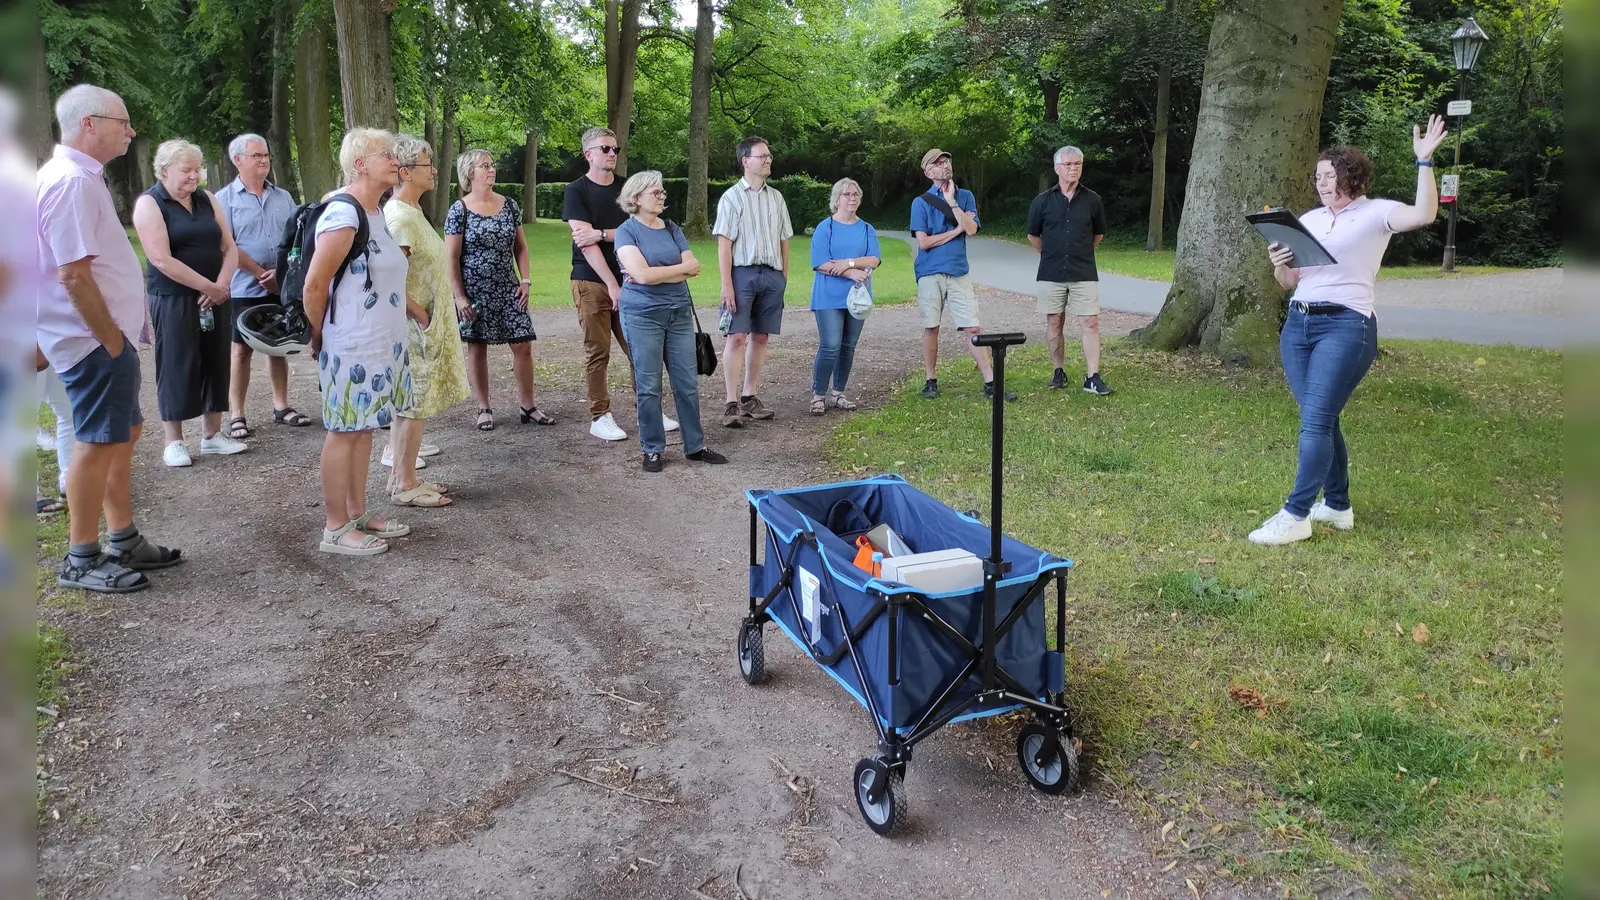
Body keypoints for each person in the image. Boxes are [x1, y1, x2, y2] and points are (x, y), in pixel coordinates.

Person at [1248, 115, 1448, 546]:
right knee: (1319, 417)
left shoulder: (1376, 213)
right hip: (1298, 325)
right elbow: (1291, 282)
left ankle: (1296, 513)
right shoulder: (1309, 219)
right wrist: (1280, 264)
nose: (1320, 182)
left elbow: (1424, 214)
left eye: (1328, 174)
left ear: (1350, 175)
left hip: (1345, 326)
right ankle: (1337, 505)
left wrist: (1424, 163)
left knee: (1316, 420)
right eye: (1317, 176)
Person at [38, 84, 181, 592]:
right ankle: (80, 557)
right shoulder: (72, 182)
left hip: (101, 339)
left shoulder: (79, 178)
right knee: (96, 442)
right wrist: (111, 342)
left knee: (119, 435)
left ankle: (122, 537)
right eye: (123, 122)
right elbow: (72, 274)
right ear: (89, 124)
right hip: (93, 341)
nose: (131, 131)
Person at [307, 127, 415, 556]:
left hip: (379, 342)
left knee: (364, 426)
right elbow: (315, 285)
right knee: (343, 431)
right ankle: (335, 528)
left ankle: (356, 511)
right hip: (351, 344)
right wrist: (318, 336)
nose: (394, 159)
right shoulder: (343, 213)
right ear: (359, 164)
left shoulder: (375, 212)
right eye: (384, 154)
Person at [132, 139, 247, 467]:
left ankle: (212, 435)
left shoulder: (208, 200)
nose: (194, 176)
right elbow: (160, 259)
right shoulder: (150, 203)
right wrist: (207, 286)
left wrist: (222, 285)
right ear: (165, 170)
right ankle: (174, 441)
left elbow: (230, 247)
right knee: (176, 364)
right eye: (186, 170)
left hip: (215, 296)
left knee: (216, 360)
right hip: (174, 298)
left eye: (197, 170)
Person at [563, 126, 679, 442]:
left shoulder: (628, 188)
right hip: (591, 281)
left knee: (641, 349)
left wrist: (603, 233)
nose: (612, 153)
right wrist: (612, 284)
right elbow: (583, 243)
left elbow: (645, 226)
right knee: (597, 351)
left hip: (633, 280)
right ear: (588, 154)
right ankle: (600, 416)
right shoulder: (577, 191)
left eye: (614, 149)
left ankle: (649, 411)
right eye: (605, 148)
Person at [613, 170, 728, 472]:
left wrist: (665, 272)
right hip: (642, 315)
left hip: (678, 313)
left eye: (663, 191)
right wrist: (678, 269)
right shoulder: (627, 231)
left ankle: (695, 445)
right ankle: (652, 449)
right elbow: (641, 275)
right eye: (655, 192)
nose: (662, 195)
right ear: (635, 198)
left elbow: (694, 267)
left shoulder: (672, 228)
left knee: (687, 383)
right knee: (649, 386)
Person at [383, 134, 467, 508]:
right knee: (412, 404)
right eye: (425, 164)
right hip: (413, 327)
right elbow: (391, 278)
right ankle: (405, 485)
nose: (433, 169)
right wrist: (423, 316)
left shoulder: (413, 212)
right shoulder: (399, 216)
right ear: (404, 172)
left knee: (411, 405)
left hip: (422, 325)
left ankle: (402, 477)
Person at [446, 149, 550, 431]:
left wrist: (525, 280)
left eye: (492, 165)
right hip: (474, 291)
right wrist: (459, 296)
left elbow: (521, 247)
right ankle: (483, 407)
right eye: (484, 166)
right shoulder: (460, 210)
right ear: (470, 173)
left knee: (522, 343)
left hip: (508, 287)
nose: (491, 170)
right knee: (477, 346)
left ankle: (528, 406)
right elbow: (451, 256)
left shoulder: (509, 205)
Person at [217, 132, 310, 434]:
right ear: (238, 160)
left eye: (266, 155)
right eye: (256, 156)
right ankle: (236, 414)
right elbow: (225, 243)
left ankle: (281, 405)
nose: (264, 160)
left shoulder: (283, 197)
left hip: (279, 285)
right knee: (240, 350)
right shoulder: (224, 200)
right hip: (244, 286)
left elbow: (297, 238)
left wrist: (281, 275)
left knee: (278, 344)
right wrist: (258, 272)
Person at [910, 148, 1012, 401]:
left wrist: (953, 203)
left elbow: (972, 229)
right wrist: (956, 232)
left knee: (972, 327)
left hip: (958, 270)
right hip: (929, 272)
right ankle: (930, 379)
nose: (945, 166)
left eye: (947, 161)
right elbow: (923, 243)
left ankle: (991, 382)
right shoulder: (920, 203)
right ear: (928, 171)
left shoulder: (964, 196)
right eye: (938, 163)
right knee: (931, 326)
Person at [713, 135, 792, 427]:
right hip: (742, 273)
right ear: (746, 161)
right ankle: (731, 402)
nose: (768, 160)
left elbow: (784, 240)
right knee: (736, 336)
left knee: (761, 336)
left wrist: (783, 277)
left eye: (769, 156)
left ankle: (749, 397)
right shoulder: (731, 198)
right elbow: (724, 243)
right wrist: (726, 284)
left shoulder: (777, 198)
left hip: (771, 274)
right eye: (762, 156)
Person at [1026, 146, 1113, 396]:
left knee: (1090, 322)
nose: (1073, 168)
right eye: (1068, 165)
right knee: (1054, 322)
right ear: (1057, 169)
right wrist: (1052, 253)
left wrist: (1079, 251)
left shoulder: (1093, 200)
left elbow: (1099, 234)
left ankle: (1092, 377)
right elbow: (1033, 235)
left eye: (1077, 164)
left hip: (1083, 270)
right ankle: (1058, 371)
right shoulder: (1042, 201)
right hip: (1051, 271)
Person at [807, 177, 880, 415]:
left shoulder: (867, 228)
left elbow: (874, 259)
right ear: (836, 199)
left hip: (858, 297)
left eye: (855, 194)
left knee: (848, 346)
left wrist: (847, 263)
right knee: (830, 345)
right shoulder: (825, 227)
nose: (852, 198)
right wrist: (850, 273)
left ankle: (838, 393)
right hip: (829, 296)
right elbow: (819, 263)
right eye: (847, 194)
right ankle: (818, 395)